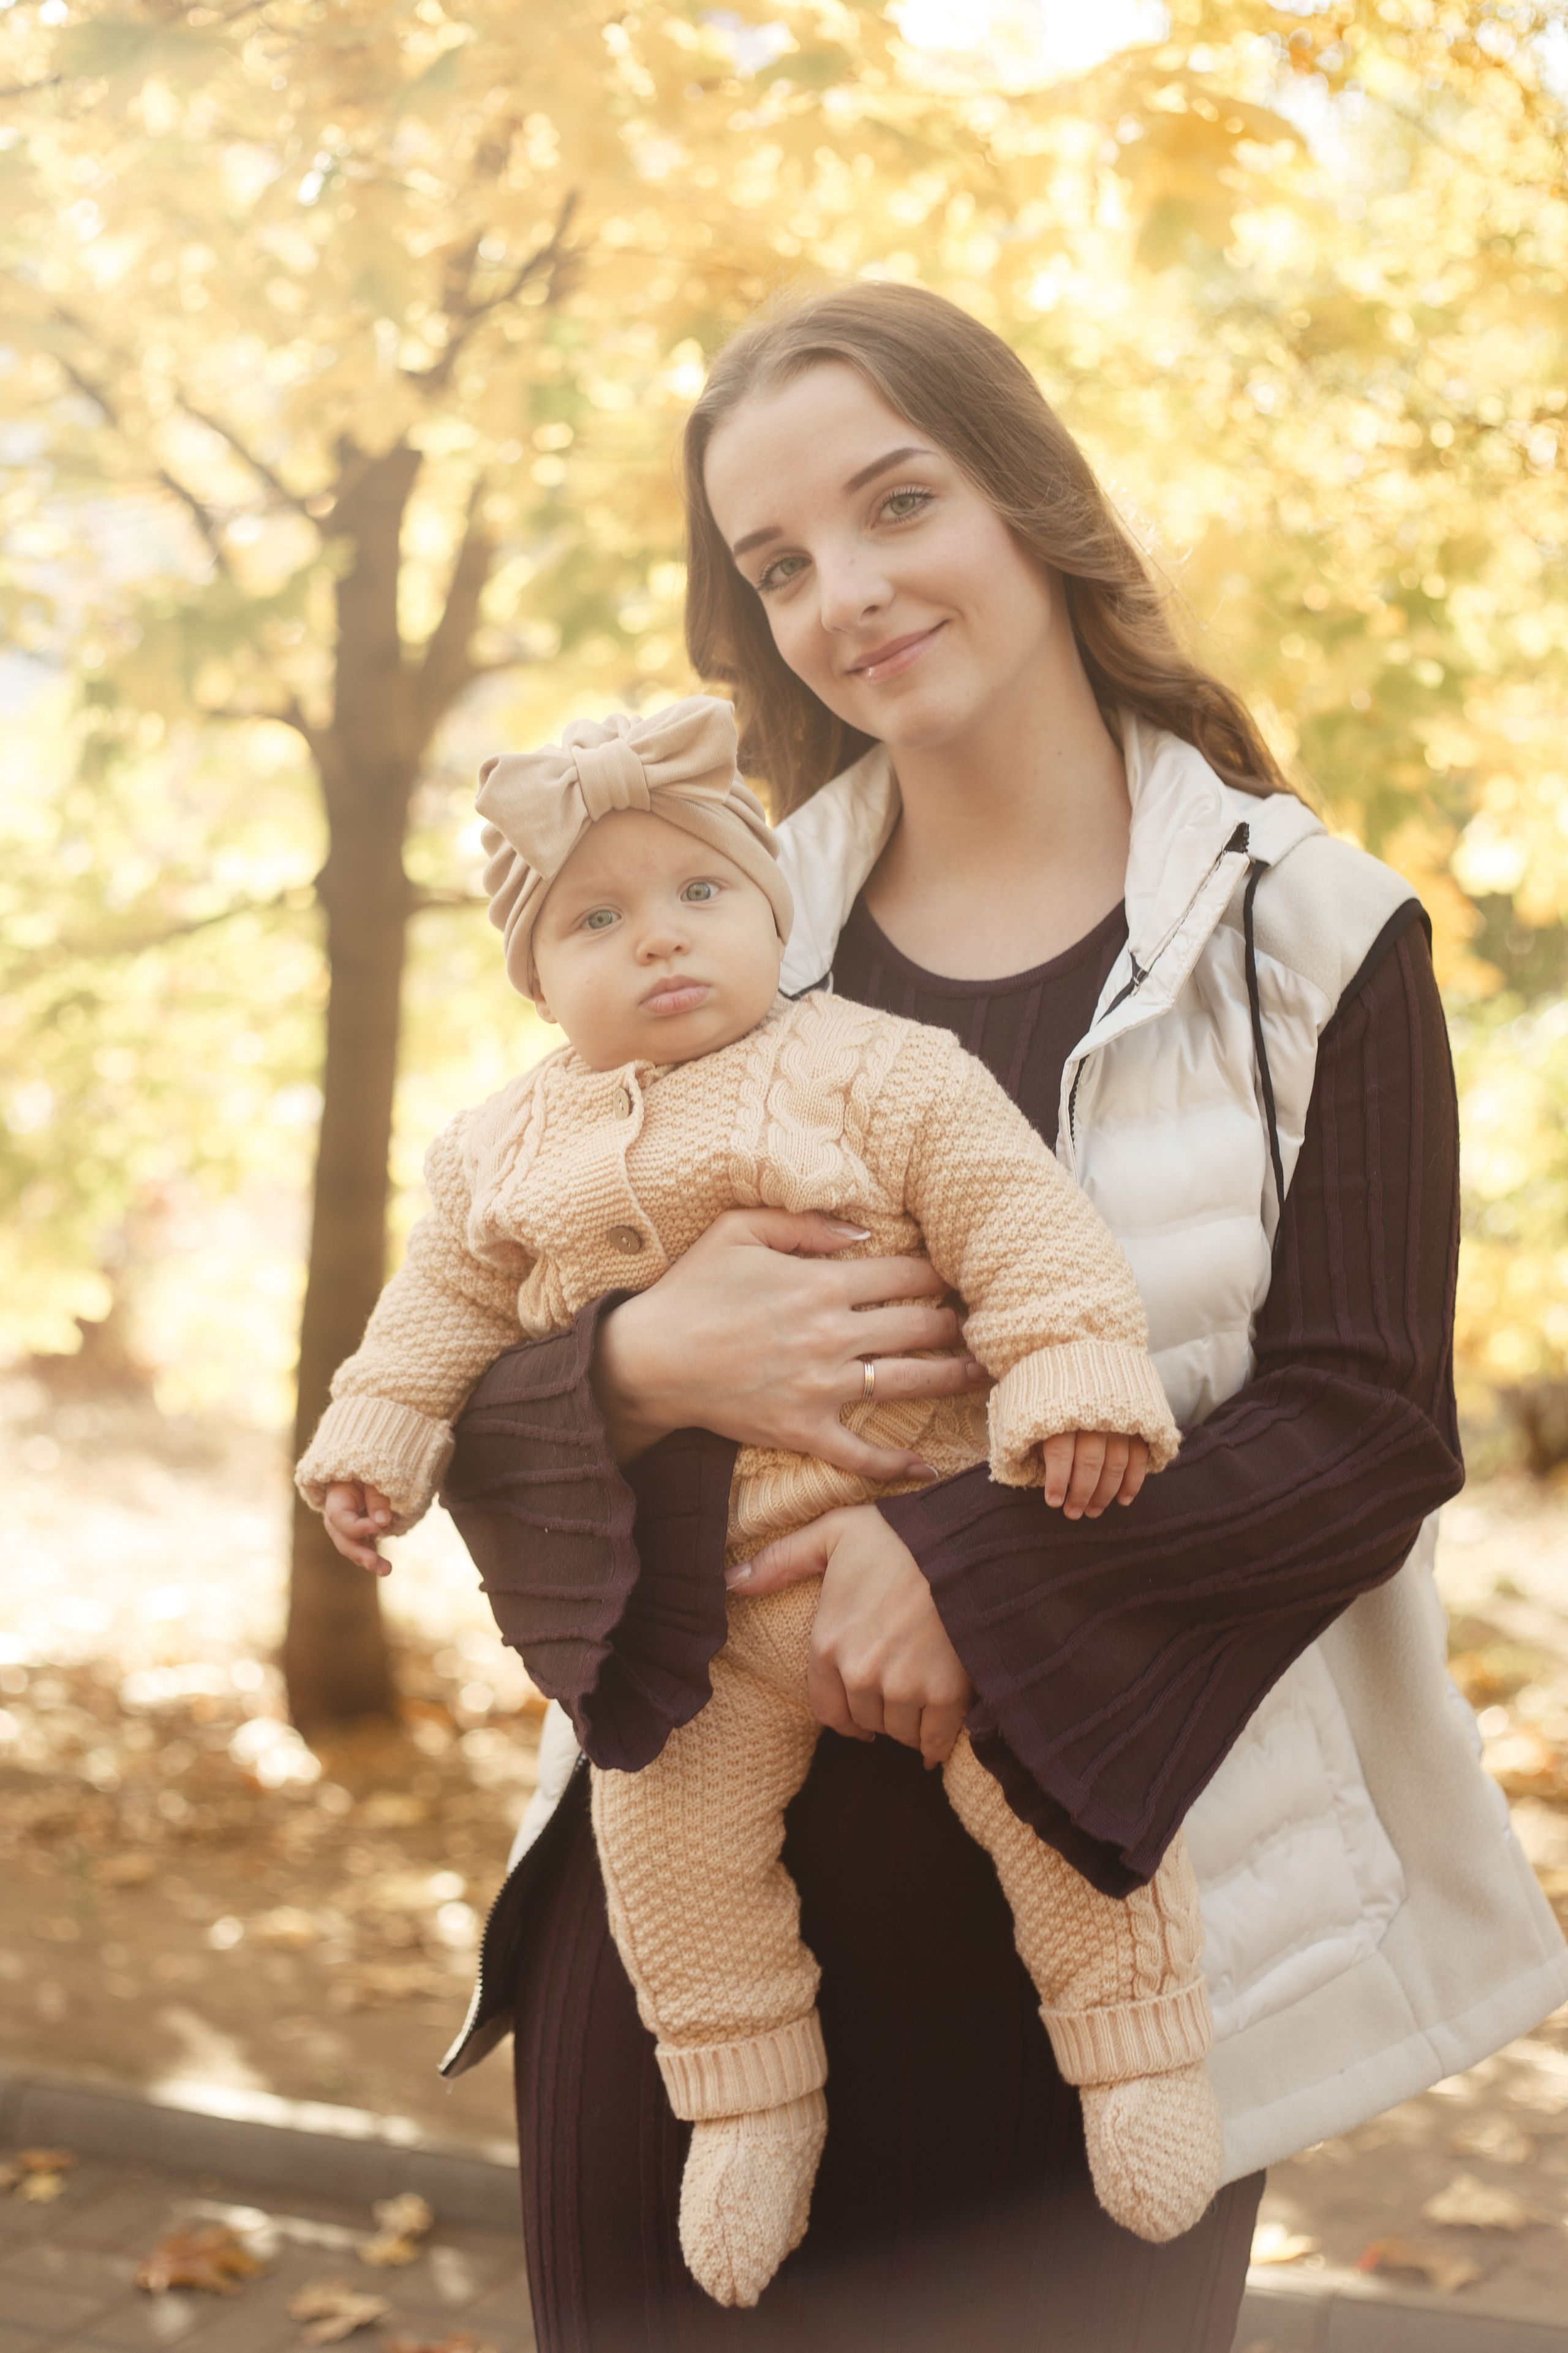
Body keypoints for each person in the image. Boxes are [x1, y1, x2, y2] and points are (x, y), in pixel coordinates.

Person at [428, 284, 1566, 2353]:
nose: (845, 595)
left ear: (1029, 497)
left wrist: (964, 1557)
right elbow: (465, 1346)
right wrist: (635, 1366)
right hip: (685, 1952)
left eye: (896, 505)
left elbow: (1373, 1431)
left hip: (1108, 1951)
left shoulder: (1308, 940)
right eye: (779, 566)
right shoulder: (698, 921)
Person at [298, 693, 1226, 2306]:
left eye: (700, 896)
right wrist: (377, 1437)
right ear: (534, 976)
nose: (658, 939)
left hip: (925, 1528)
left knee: (1060, 1791)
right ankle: (746, 2104)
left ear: (767, 908)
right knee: (664, 1841)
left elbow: (1023, 1223)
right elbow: (433, 1316)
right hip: (700, 1611)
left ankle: (1141, 2051)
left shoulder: (874, 1068)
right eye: (597, 919)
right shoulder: (501, 1150)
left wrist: (1075, 1374)